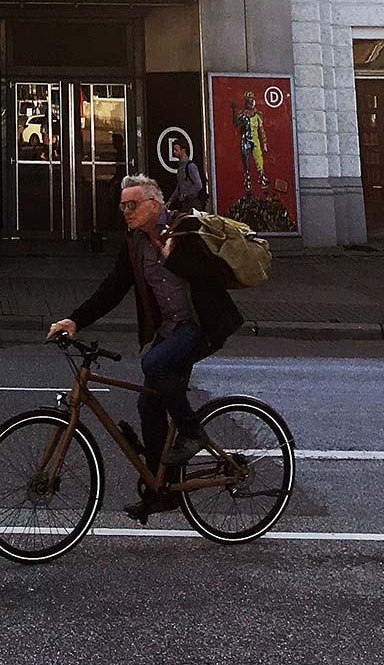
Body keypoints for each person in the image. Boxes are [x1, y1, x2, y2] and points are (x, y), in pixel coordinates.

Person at [47, 173, 242, 522]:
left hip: (203, 326)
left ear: (155, 204)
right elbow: (113, 287)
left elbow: (212, 277)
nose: (126, 211)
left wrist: (172, 257)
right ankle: (160, 491)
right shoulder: (134, 243)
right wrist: (75, 320)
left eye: (132, 204)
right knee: (148, 403)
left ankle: (192, 432)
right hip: (171, 329)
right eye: (122, 205)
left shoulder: (186, 231)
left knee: (154, 364)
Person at [166, 138, 206, 213]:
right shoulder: (180, 168)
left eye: (176, 150)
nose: (174, 152)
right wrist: (170, 201)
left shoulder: (191, 166)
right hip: (185, 203)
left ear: (183, 150)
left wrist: (185, 194)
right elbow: (179, 187)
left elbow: (198, 185)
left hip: (193, 203)